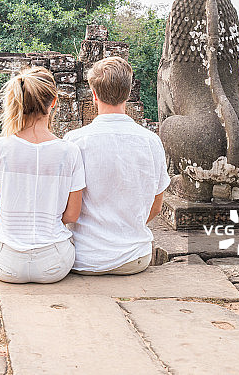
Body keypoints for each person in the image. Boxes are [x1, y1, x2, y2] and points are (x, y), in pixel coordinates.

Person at [64, 56, 170, 275]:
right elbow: (156, 206)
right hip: (135, 257)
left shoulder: (75, 141)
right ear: (129, 93)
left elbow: (65, 205)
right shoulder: (151, 141)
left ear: (94, 94)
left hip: (84, 257)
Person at [0, 66, 85, 283]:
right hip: (54, 264)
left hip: (6, 262)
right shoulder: (69, 151)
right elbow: (72, 215)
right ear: (53, 101)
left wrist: (13, 225)